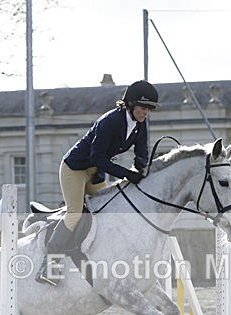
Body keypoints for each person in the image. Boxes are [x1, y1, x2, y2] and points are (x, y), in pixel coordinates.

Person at [37, 80, 159, 284]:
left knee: (108, 210)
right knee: (75, 212)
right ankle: (48, 265)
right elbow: (97, 158)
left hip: (95, 173)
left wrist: (142, 171)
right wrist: (127, 174)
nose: (146, 112)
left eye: (149, 109)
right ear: (129, 104)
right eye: (143, 107)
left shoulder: (140, 124)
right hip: (75, 169)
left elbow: (141, 155)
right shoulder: (109, 121)